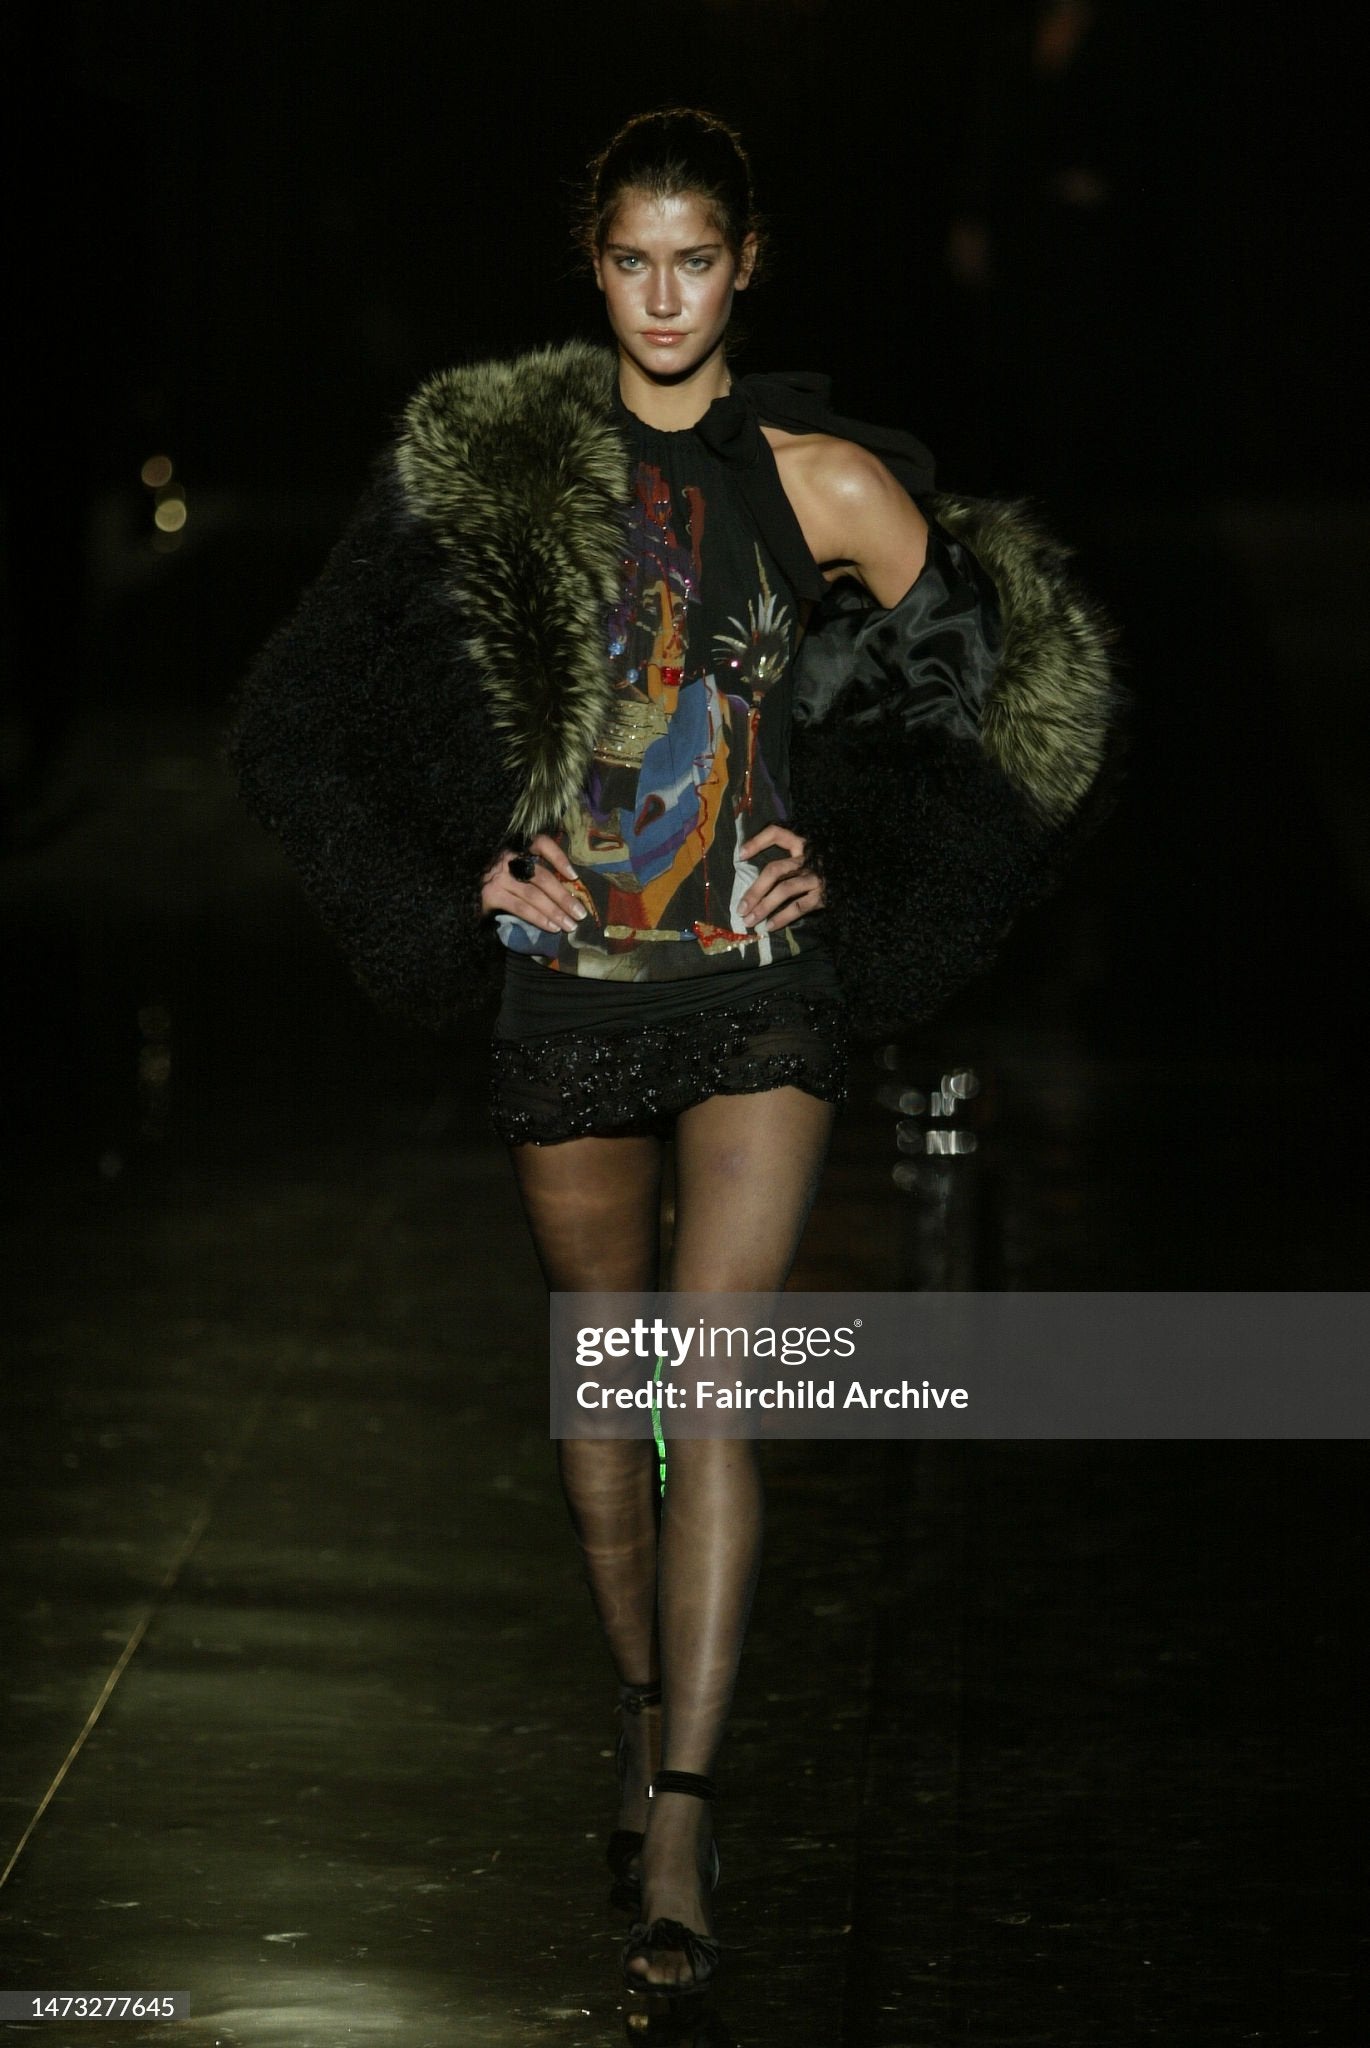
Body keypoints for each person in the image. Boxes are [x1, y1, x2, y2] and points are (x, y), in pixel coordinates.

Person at [223, 107, 1117, 2011]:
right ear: (590, 262)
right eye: (629, 260)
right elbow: (296, 721)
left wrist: (856, 873)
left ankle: (688, 1816)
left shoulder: (823, 486)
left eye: (692, 260)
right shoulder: (495, 477)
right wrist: (459, 880)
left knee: (705, 1379)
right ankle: (636, 1705)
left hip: (758, 986)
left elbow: (1022, 731)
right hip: (570, 980)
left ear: (744, 265)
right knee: (601, 1384)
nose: (659, 295)